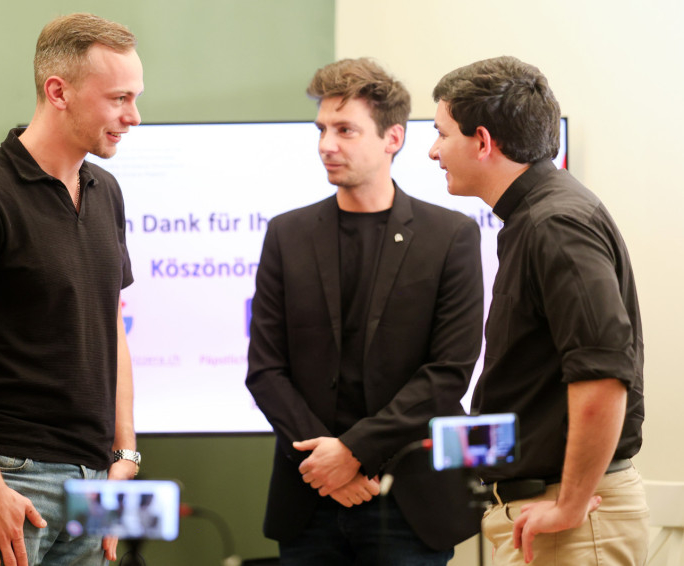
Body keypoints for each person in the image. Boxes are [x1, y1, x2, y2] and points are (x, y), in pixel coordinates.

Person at [0, 13, 144, 566]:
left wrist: (125, 454)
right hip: (5, 477)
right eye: (119, 99)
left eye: (135, 98)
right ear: (58, 92)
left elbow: (110, 325)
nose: (134, 116)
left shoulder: (106, 191)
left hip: (93, 482)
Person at [246, 58, 484, 565]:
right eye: (322, 129)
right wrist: (326, 464)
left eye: (345, 130)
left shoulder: (450, 237)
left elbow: (448, 372)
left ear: (393, 137)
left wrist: (352, 453)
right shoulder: (287, 235)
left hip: (409, 501)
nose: (326, 145)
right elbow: (266, 370)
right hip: (309, 496)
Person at [429, 56, 649, 565]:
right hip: (547, 513)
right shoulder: (533, 219)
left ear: (483, 142)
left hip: (571, 520)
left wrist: (570, 504)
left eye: (441, 134)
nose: (433, 150)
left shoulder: (555, 223)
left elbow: (603, 374)